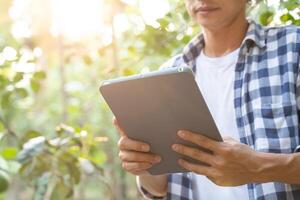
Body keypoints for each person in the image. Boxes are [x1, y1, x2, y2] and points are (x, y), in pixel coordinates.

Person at [114, 0, 300, 199]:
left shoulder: (293, 48)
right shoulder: (166, 75)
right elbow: (159, 189)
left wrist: (258, 166)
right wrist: (144, 167)